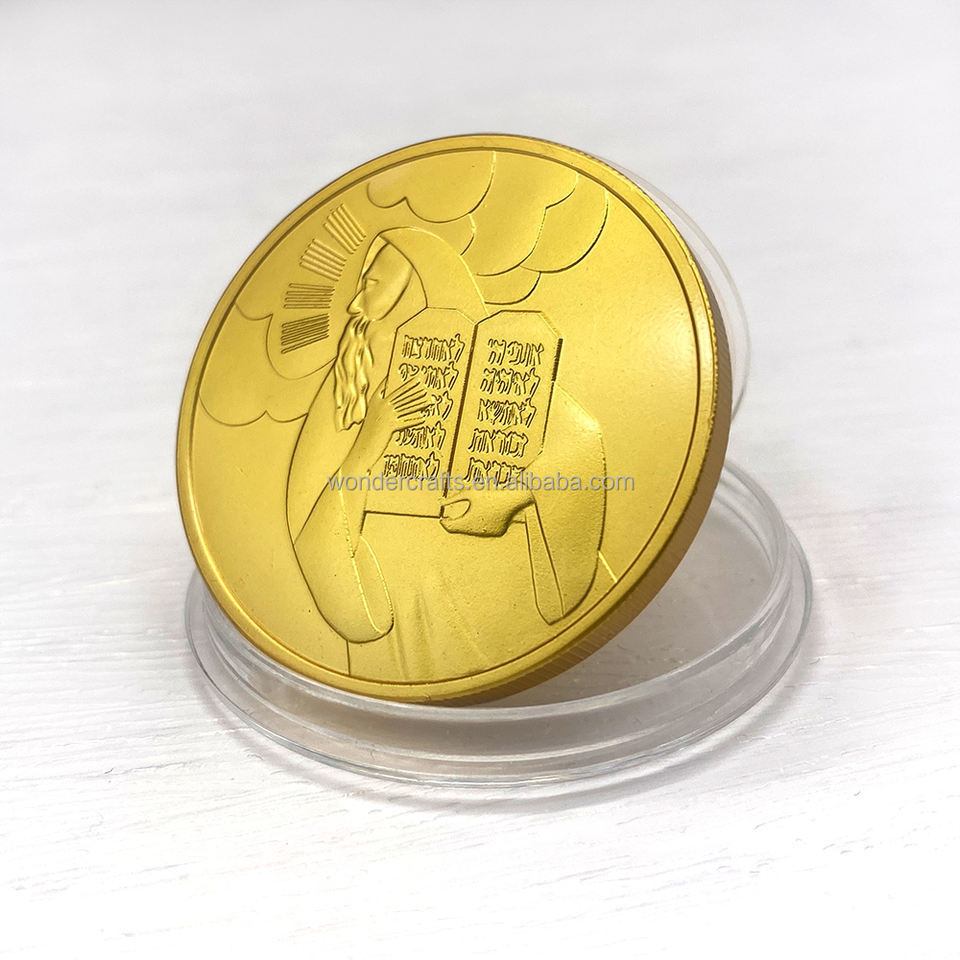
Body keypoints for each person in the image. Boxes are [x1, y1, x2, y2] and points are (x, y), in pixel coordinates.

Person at [286, 227, 607, 682]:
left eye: (372, 285)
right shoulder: (353, 376)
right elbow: (308, 525)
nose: (355, 305)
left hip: (490, 590)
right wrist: (367, 447)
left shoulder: (499, 359)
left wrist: (509, 496)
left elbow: (578, 448)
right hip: (397, 596)